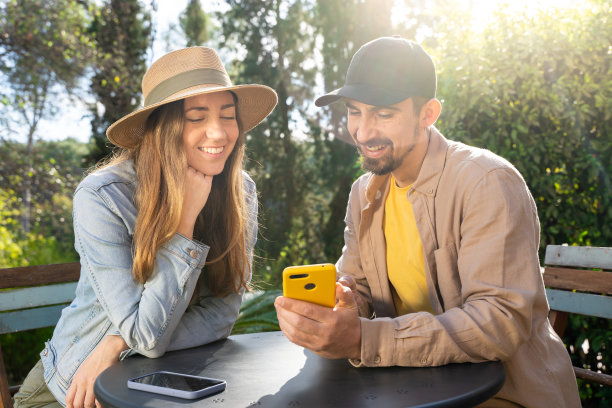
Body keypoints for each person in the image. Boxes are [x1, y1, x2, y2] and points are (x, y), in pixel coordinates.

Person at [274, 36, 581, 407]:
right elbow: (363, 290)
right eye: (355, 111)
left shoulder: (486, 182)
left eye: (383, 113)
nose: (364, 131)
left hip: (505, 394)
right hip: (410, 390)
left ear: (428, 114)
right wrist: (341, 307)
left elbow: (498, 323)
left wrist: (362, 340)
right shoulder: (365, 192)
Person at [14, 46, 277, 408]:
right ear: (164, 126)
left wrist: (119, 343)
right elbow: (148, 337)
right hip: (72, 388)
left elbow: (221, 315)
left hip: (161, 379)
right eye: (196, 117)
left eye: (227, 116)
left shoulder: (239, 190)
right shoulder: (103, 197)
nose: (217, 133)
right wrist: (185, 223)